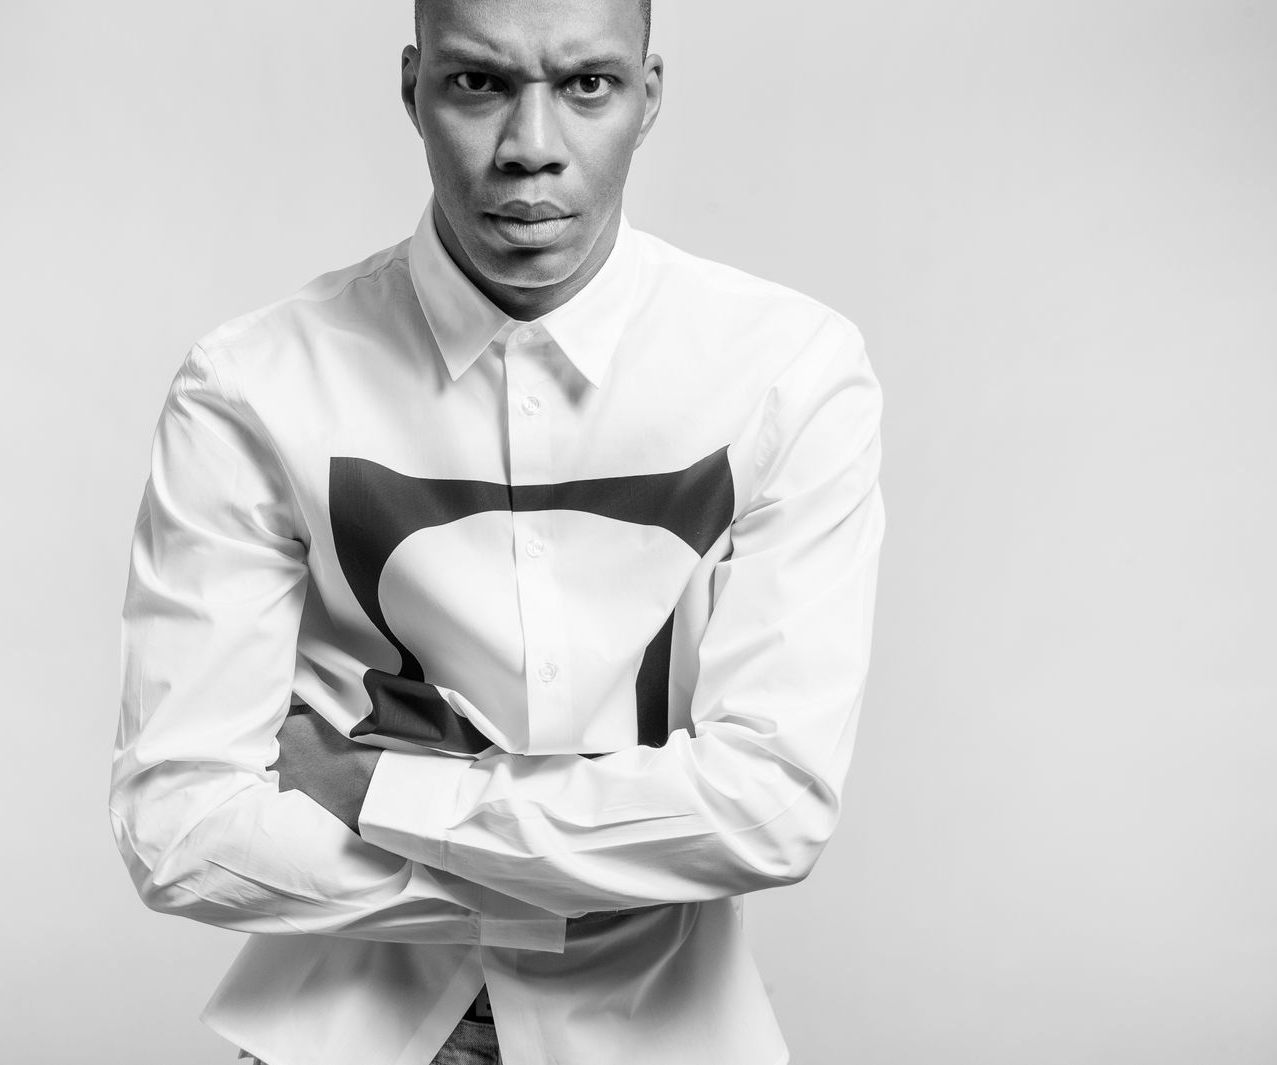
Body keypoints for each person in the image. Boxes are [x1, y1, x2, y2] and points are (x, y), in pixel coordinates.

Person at [109, 0, 884, 1061]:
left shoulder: (787, 373)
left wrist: (372, 788)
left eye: (586, 85)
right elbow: (178, 828)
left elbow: (771, 810)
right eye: (479, 83)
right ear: (414, 89)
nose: (531, 147)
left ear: (648, 96)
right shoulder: (252, 385)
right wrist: (606, 871)